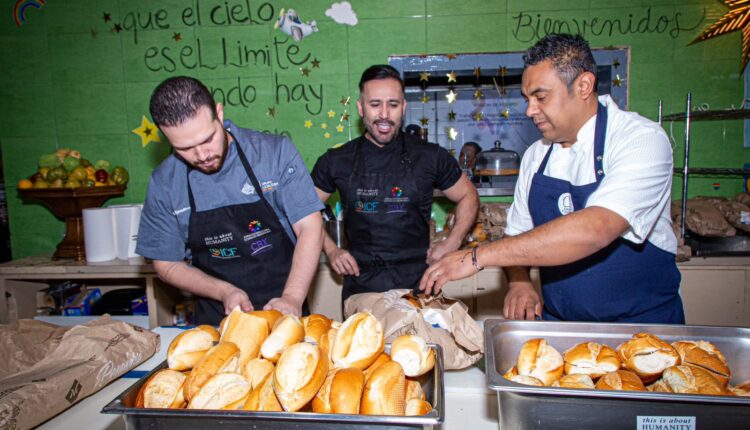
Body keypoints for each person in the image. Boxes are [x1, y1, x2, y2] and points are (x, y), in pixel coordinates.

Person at [420, 34, 684, 324]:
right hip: (561, 323)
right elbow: (516, 236)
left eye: (541, 97)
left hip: (643, 327)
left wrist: (476, 257)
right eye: (527, 99)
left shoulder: (640, 139)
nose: (530, 110)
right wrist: (520, 282)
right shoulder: (536, 155)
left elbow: (595, 229)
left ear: (583, 86)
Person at [136, 76, 324, 325]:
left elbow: (310, 227)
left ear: (219, 113)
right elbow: (167, 263)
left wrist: (291, 297)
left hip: (286, 310)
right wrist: (224, 291)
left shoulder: (273, 153)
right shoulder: (165, 182)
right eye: (185, 148)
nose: (202, 155)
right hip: (217, 318)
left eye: (207, 139)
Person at [311, 65, 479, 301]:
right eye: (375, 104)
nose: (384, 115)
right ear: (361, 108)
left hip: (418, 286)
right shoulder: (336, 161)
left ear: (404, 107)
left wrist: (453, 241)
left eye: (392, 104)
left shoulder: (430, 156)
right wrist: (332, 250)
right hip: (361, 288)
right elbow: (305, 211)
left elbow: (468, 195)